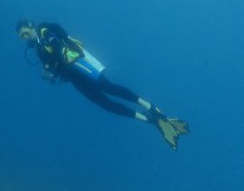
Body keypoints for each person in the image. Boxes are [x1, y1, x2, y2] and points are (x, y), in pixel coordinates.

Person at [16, 20, 190, 150]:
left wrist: (51, 64)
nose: (25, 38)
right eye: (22, 37)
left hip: (80, 65)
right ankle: (150, 120)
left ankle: (150, 107)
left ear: (31, 25)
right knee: (104, 104)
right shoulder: (38, 48)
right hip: (74, 77)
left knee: (109, 88)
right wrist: (50, 74)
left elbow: (60, 45)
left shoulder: (45, 30)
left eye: (25, 33)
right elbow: (52, 64)